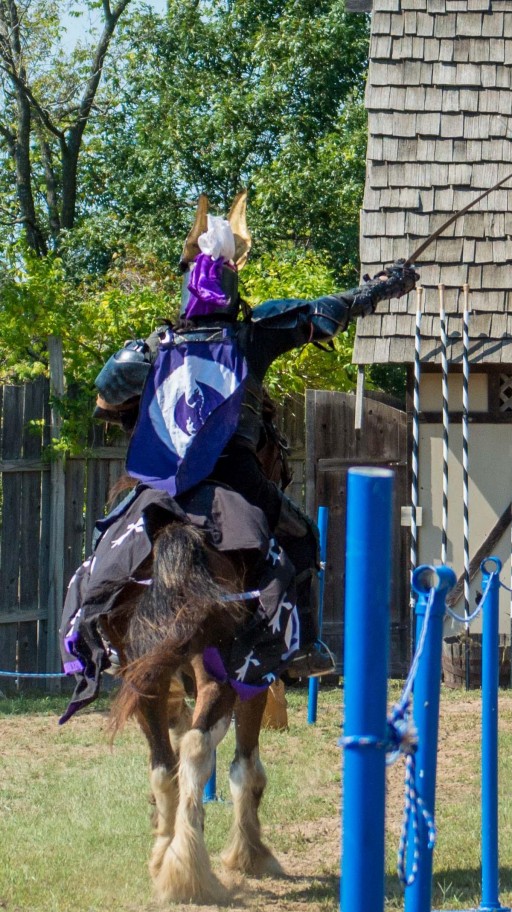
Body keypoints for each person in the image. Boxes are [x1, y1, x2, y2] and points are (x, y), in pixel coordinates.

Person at [90, 192, 419, 679]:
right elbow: (325, 311)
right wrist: (381, 288)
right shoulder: (252, 336)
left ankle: (100, 633)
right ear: (232, 287)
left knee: (110, 534)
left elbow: (106, 400)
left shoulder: (153, 348)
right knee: (303, 536)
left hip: (164, 479)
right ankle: (305, 645)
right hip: (236, 475)